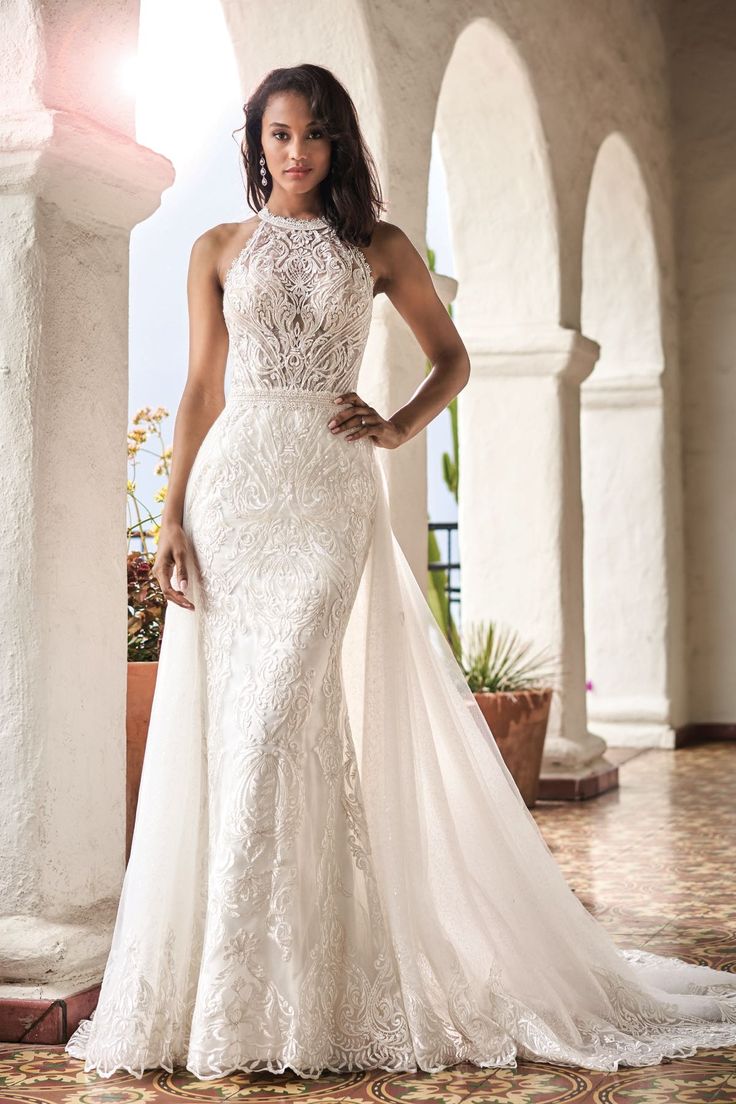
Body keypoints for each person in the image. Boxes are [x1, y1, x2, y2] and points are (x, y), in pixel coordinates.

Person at [65, 63, 736, 1082]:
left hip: (328, 499)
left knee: (279, 722)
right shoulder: (214, 248)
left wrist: (397, 428)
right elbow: (201, 385)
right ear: (256, 144)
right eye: (279, 134)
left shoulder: (375, 248)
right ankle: (265, 995)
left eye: (314, 136)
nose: (296, 152)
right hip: (236, 494)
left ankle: (263, 1002)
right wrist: (169, 512)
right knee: (246, 731)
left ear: (337, 146)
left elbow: (451, 357)